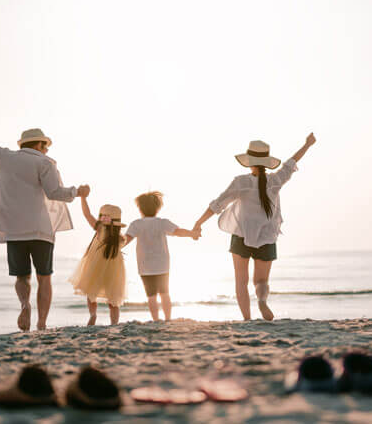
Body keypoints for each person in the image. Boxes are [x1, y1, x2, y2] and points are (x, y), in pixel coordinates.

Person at [0, 115, 89, 331]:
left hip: (13, 229)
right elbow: (54, 192)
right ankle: (41, 324)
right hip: (40, 230)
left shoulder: (4, 156)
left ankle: (24, 304)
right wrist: (78, 192)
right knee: (44, 277)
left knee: (22, 276)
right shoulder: (45, 163)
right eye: (45, 146)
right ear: (39, 144)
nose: (47, 150)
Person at [192, 133, 316, 321]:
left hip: (241, 235)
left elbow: (218, 204)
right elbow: (291, 163)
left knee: (241, 282)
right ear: (266, 162)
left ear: (249, 162)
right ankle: (262, 301)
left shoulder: (241, 182)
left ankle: (247, 319)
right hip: (267, 237)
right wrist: (307, 144)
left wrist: (199, 223)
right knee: (261, 281)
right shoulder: (275, 180)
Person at [124, 191, 200, 321]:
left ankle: (155, 319)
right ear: (157, 208)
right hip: (162, 265)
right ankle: (168, 318)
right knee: (165, 293)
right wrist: (192, 234)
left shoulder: (136, 224)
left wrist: (113, 247)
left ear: (140, 208)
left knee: (151, 295)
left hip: (145, 266)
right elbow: (178, 232)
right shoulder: (162, 222)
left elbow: (126, 240)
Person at [68, 192, 127, 326]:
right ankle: (104, 319)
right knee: (103, 295)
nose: (104, 218)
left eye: (106, 216)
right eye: (103, 216)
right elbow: (88, 214)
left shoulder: (105, 231)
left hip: (102, 267)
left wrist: (83, 198)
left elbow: (87, 215)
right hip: (108, 268)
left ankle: (102, 318)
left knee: (100, 294)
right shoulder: (112, 234)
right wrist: (83, 198)